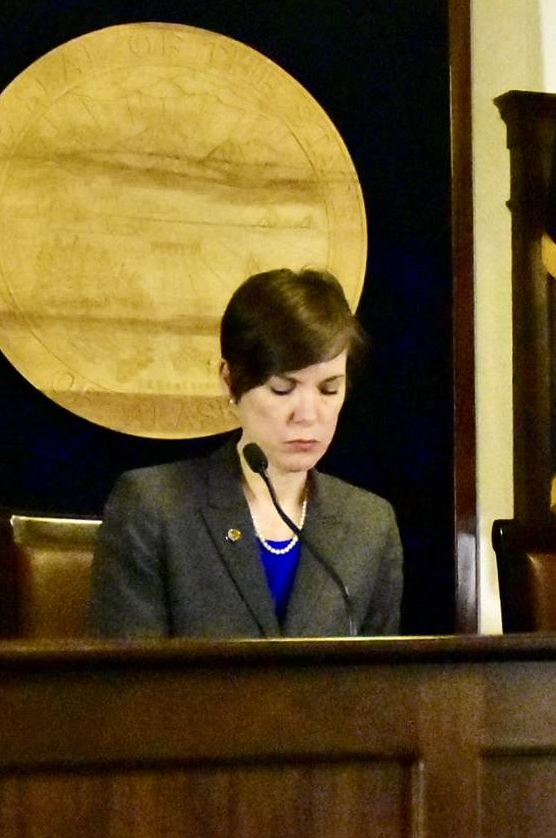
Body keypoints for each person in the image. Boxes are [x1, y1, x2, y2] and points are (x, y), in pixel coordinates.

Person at [91, 268, 403, 638]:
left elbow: (379, 685)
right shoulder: (154, 508)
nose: (307, 414)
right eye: (282, 389)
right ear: (230, 381)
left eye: (329, 389)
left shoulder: (369, 524)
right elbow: (128, 686)